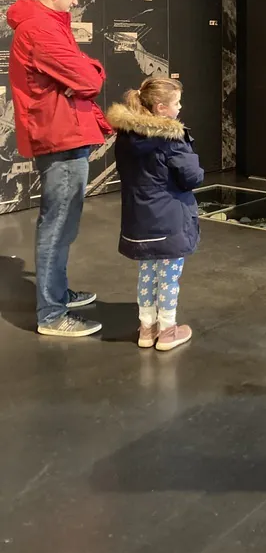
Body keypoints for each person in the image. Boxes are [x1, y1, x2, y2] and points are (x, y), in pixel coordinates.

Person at [7, 0, 111, 338]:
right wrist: (92, 71)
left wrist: (81, 77)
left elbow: (79, 77)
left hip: (65, 132)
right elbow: (87, 77)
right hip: (61, 135)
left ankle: (57, 294)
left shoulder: (45, 27)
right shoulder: (40, 29)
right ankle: (51, 314)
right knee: (57, 223)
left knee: (64, 222)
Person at [106, 78, 204, 351]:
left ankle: (146, 328)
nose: (180, 107)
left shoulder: (125, 135)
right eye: (177, 103)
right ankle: (168, 329)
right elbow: (192, 177)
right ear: (161, 108)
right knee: (170, 276)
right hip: (170, 220)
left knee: (147, 272)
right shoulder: (171, 138)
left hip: (139, 220)